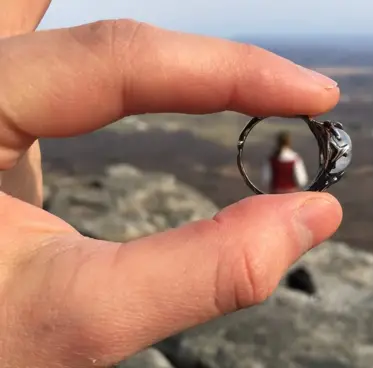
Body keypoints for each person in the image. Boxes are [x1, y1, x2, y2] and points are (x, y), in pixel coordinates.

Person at [0, 1, 342, 367]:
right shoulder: (294, 161)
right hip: (289, 194)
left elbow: (275, 176)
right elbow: (300, 177)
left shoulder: (280, 160)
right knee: (279, 222)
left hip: (282, 193)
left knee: (277, 221)